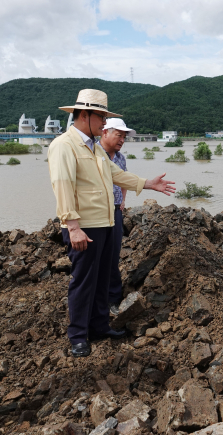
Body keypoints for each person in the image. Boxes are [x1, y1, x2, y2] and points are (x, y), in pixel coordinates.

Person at [48, 89, 175, 358]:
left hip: (105, 223)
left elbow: (116, 174)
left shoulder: (94, 147)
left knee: (102, 278)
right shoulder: (64, 145)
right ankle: (78, 335)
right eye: (101, 118)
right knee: (83, 281)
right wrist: (72, 227)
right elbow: (62, 185)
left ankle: (99, 326)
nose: (105, 124)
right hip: (84, 226)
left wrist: (147, 184)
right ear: (84, 115)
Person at [97, 118, 135, 315]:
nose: (122, 140)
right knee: (95, 256)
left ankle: (112, 299)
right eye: (118, 135)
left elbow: (124, 181)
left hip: (115, 210)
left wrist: (122, 202)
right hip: (94, 212)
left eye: (124, 136)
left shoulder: (120, 158)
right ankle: (94, 299)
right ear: (105, 132)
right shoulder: (91, 153)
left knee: (112, 255)